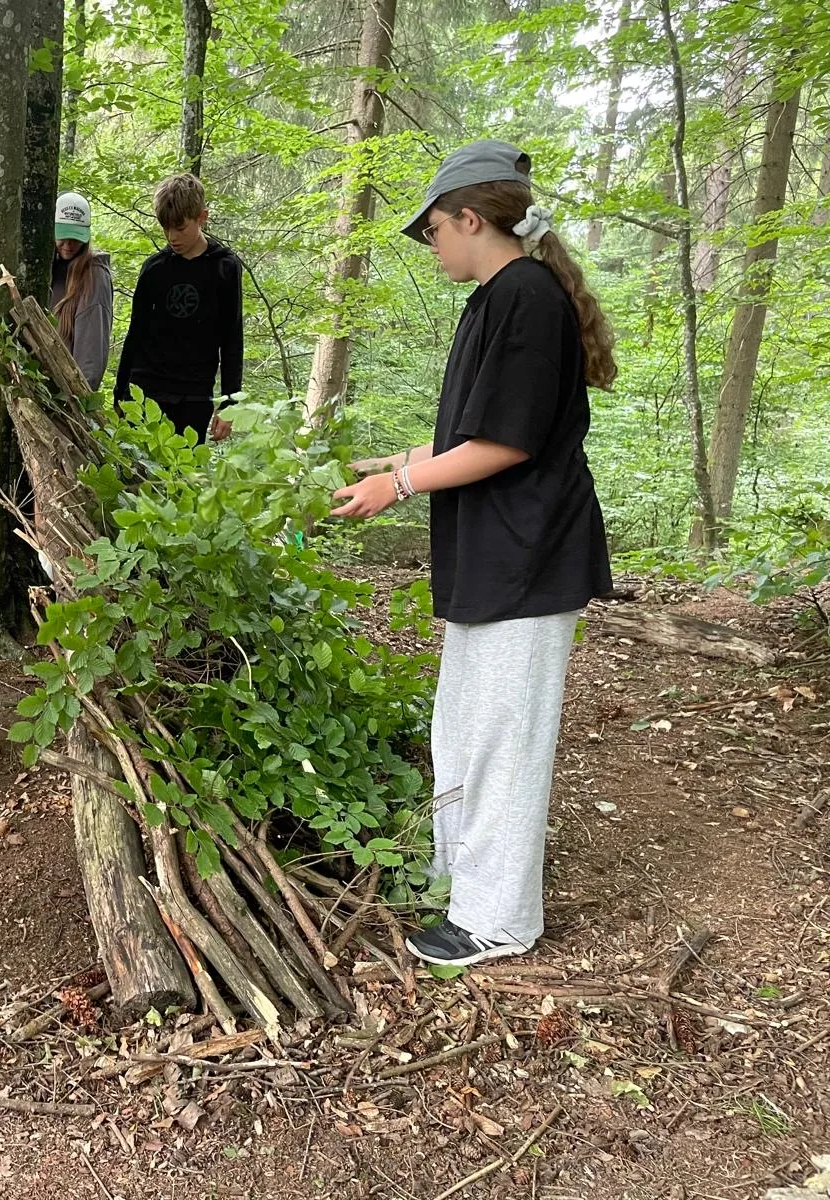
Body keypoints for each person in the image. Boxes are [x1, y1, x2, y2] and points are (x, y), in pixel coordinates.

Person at [330, 140, 615, 968]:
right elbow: (473, 430)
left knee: (503, 737)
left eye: (432, 232)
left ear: (470, 217)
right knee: (465, 727)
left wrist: (404, 485)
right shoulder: (499, 298)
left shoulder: (525, 297)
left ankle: (498, 919)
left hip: (529, 555)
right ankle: (463, 877)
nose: (431, 249)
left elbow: (509, 443)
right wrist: (398, 460)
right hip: (496, 556)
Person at [112, 172, 243, 443]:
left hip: (193, 396)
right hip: (145, 391)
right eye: (166, 227)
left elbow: (232, 339)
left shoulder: (224, 268)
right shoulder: (154, 269)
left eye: (180, 228)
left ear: (201, 218)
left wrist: (231, 403)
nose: (172, 237)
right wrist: (119, 394)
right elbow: (135, 334)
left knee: (183, 479)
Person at [49, 191, 114, 392]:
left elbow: (90, 357)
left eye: (75, 238)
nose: (68, 245)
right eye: (63, 237)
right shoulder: (48, 269)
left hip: (65, 398)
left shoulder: (93, 277)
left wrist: (78, 399)